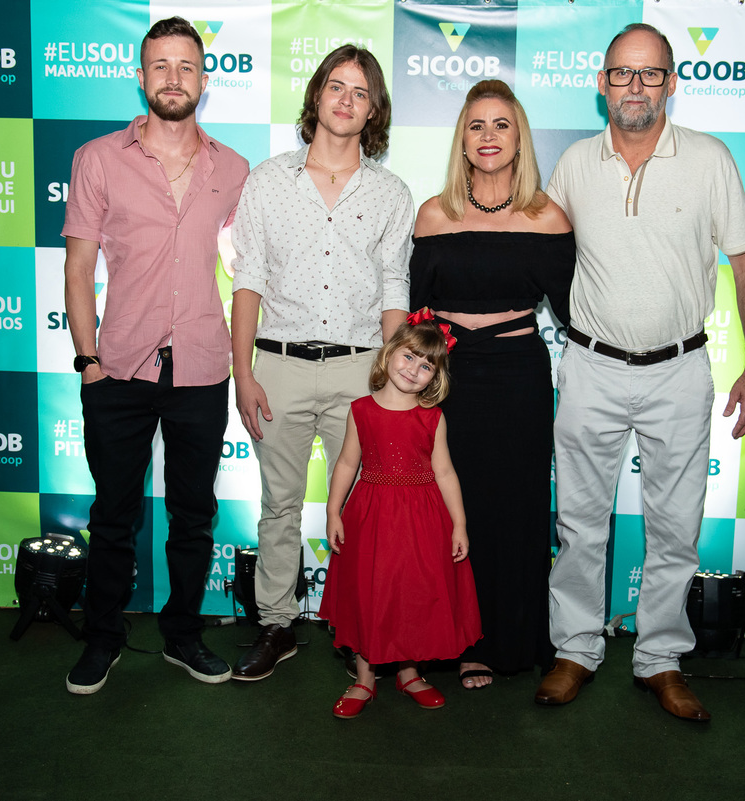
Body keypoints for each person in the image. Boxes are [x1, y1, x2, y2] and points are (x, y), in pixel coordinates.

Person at [535, 23, 745, 720]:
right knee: (579, 523)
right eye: (621, 73)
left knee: (675, 528)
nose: (634, 86)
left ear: (671, 82)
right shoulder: (573, 163)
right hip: (590, 365)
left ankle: (661, 658)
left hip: (680, 369)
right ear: (601, 84)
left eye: (649, 73)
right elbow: (539, 253)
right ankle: (576, 648)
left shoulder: (710, 159)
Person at [60, 17, 249, 695]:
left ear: (204, 79)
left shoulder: (234, 169)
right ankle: (103, 637)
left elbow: (248, 269)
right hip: (118, 367)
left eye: (186, 66)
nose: (173, 78)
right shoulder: (97, 159)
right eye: (160, 66)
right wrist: (88, 360)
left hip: (202, 365)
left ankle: (183, 634)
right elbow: (77, 268)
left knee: (193, 516)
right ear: (141, 77)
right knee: (114, 515)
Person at [229, 45, 415, 681]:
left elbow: (394, 289)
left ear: (373, 111)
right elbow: (247, 281)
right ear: (316, 95)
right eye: (337, 86)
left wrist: (394, 385)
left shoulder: (391, 193)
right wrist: (244, 373)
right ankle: (276, 625)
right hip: (277, 365)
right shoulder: (267, 180)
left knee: (362, 505)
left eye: (360, 93)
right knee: (279, 504)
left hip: (360, 370)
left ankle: (358, 631)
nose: (346, 100)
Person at [410, 80, 574, 689]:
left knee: (513, 509)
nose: (488, 136)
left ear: (519, 138)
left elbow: (577, 313)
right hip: (446, 380)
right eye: (476, 125)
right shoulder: (433, 213)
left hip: (517, 378)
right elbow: (414, 314)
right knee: (444, 508)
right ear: (461, 139)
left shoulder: (547, 216)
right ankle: (443, 640)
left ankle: (503, 643)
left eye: (501, 125)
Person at [318, 311, 481, 718]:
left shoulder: (433, 417)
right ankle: (364, 680)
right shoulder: (361, 410)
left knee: (411, 594)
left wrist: (459, 524)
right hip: (370, 518)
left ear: (435, 377)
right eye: (409, 356)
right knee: (369, 594)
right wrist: (333, 511)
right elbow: (346, 463)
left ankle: (409, 674)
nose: (414, 369)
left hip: (422, 521)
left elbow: (445, 472)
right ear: (389, 353)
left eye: (426, 366)